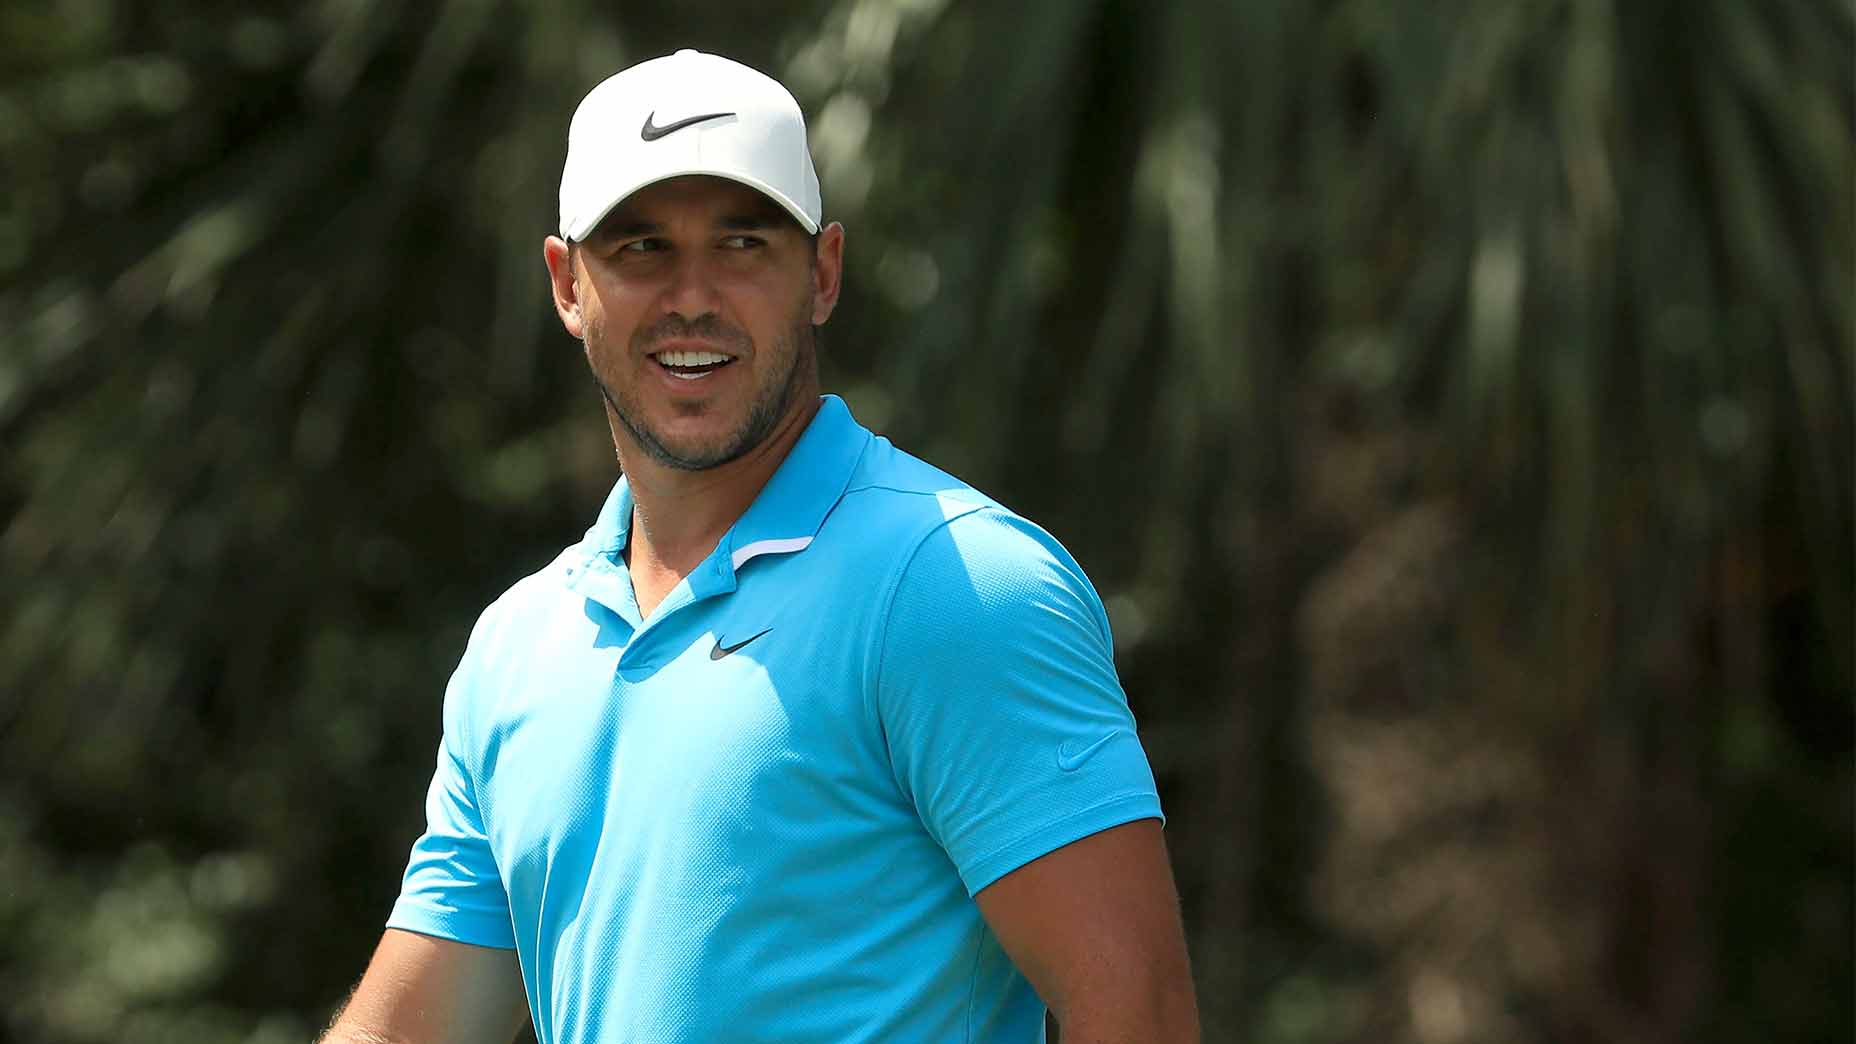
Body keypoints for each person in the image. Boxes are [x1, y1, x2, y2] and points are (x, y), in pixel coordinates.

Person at [321, 49, 1199, 1044]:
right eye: (640, 248)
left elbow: (1141, 1014)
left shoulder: (955, 585)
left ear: (822, 274)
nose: (691, 295)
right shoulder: (521, 644)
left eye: (741, 244)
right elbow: (407, 1034)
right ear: (566, 285)